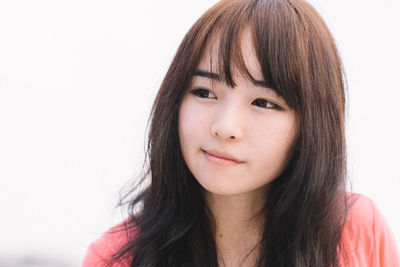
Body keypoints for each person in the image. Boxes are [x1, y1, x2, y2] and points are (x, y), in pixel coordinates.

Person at [82, 0, 400, 266]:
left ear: (309, 126)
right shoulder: (117, 257)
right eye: (204, 92)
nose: (225, 127)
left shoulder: (356, 231)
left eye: (263, 102)